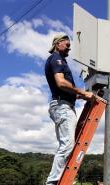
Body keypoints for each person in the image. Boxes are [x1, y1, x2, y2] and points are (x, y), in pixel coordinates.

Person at [44, 34, 94, 185]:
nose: (69, 48)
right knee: (67, 145)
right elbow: (61, 83)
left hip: (63, 104)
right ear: (58, 43)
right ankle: (53, 182)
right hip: (62, 106)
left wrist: (78, 97)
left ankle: (58, 179)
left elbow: (63, 89)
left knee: (66, 144)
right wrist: (82, 92)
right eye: (67, 45)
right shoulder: (56, 58)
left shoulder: (59, 60)